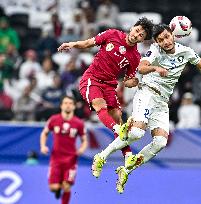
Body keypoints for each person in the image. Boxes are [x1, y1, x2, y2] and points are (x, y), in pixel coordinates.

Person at [92, 23, 201, 193]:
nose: (165, 41)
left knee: (160, 142)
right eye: (160, 39)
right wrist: (155, 67)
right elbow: (141, 67)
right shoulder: (155, 50)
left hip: (162, 101)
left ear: (172, 34)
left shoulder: (185, 51)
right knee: (136, 133)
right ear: (156, 42)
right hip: (147, 93)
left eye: (167, 36)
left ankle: (125, 170)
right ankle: (101, 156)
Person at [57, 17, 154, 178]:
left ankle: (128, 156)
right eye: (137, 30)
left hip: (110, 85)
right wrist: (72, 44)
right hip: (92, 79)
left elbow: (128, 81)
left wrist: (134, 81)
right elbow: (89, 43)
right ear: (133, 27)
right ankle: (117, 131)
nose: (137, 35)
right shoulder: (112, 34)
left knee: (118, 118)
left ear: (143, 39)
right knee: (99, 105)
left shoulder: (135, 56)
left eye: (141, 36)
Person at [40, 96, 88, 204]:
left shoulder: (79, 123)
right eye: (65, 103)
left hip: (71, 160)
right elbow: (44, 133)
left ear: (74, 106)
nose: (68, 105)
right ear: (61, 105)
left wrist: (82, 149)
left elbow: (84, 140)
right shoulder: (54, 119)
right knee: (53, 187)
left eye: (70, 103)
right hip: (56, 159)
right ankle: (58, 188)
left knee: (67, 186)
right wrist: (43, 146)